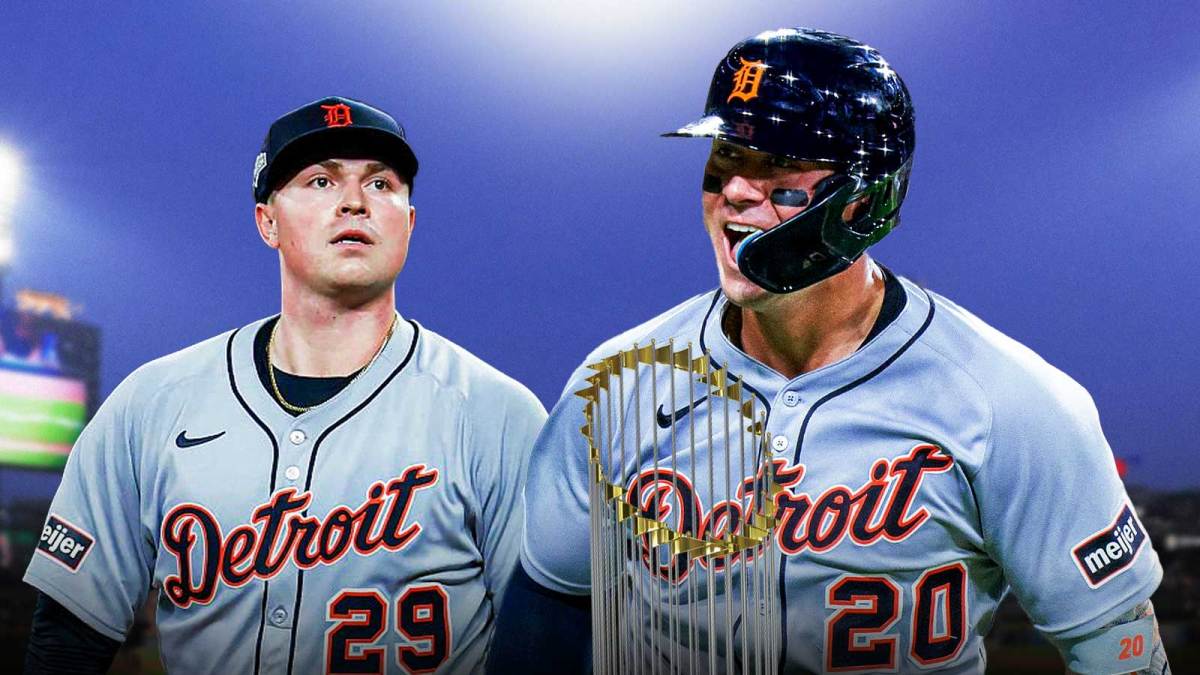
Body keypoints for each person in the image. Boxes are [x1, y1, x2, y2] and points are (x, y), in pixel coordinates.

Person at [498, 29, 1170, 674]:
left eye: (778, 166)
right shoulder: (617, 381)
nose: (735, 189)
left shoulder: (1009, 400)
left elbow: (1115, 643)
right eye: (726, 158)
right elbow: (550, 607)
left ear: (865, 197)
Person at [23, 96, 546, 674]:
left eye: (380, 184)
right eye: (320, 181)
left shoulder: (496, 413)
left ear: (409, 222)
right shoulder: (152, 403)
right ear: (267, 222)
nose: (354, 201)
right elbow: (69, 638)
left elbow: (547, 642)